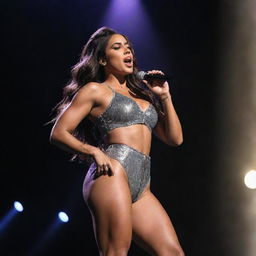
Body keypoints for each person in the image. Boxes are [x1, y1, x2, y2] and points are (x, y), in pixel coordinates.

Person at [50, 27, 184, 256]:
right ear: (102, 59)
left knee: (173, 253)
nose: (127, 50)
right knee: (116, 252)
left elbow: (175, 138)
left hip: (142, 184)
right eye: (117, 47)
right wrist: (93, 151)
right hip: (112, 172)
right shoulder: (95, 90)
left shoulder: (144, 95)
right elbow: (59, 132)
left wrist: (164, 97)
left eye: (128, 47)